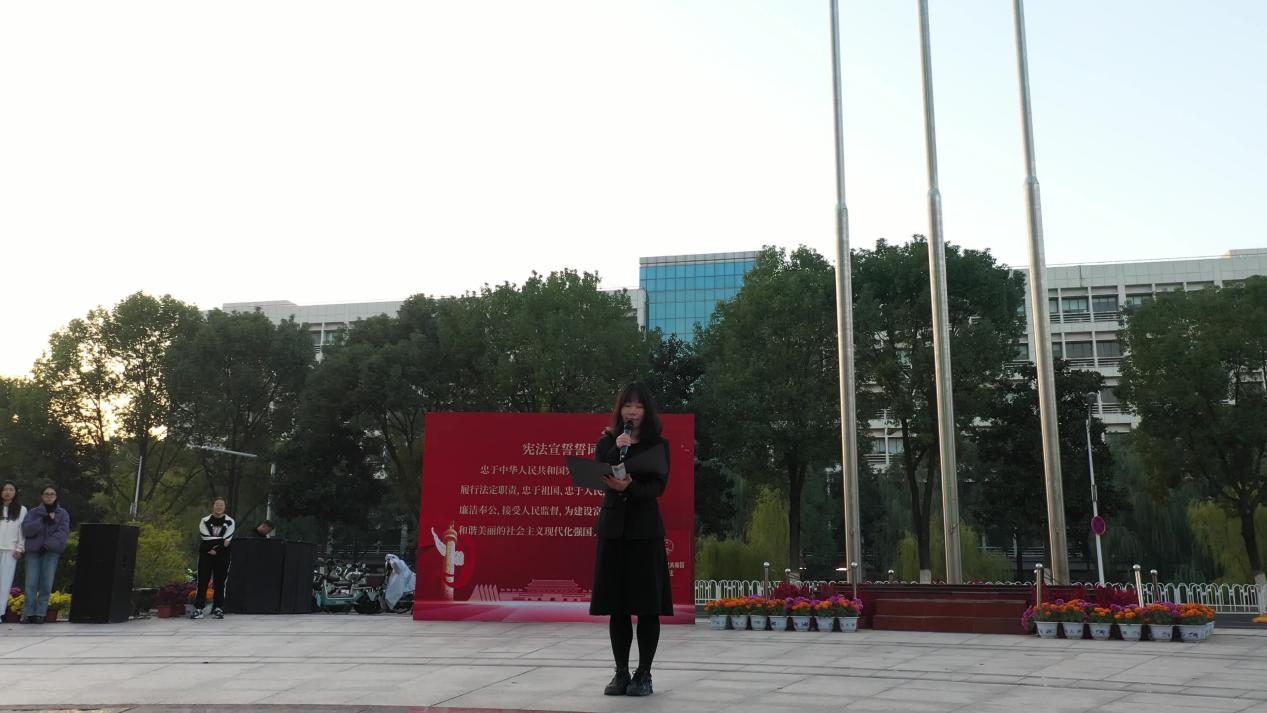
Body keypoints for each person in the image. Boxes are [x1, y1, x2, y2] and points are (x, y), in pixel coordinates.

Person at [589, 382, 672, 698]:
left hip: (645, 532)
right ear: (619, 410)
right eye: (627, 406)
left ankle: (644, 674)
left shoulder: (657, 445)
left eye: (638, 407)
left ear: (646, 411)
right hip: (614, 531)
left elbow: (658, 487)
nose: (632, 412)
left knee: (647, 606)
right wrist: (616, 446)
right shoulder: (607, 441)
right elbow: (599, 472)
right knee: (617, 606)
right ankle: (621, 672)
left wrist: (631, 488)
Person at [21, 485, 70, 624]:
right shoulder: (33, 512)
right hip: (33, 552)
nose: (49, 496)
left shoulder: (62, 513)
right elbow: (27, 530)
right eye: (46, 494)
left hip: (51, 552)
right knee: (30, 583)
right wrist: (43, 520)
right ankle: (28, 613)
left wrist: (47, 545)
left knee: (46, 583)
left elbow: (62, 533)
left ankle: (40, 613)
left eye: (52, 494)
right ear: (42, 496)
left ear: (56, 496)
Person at [192, 497, 235, 620]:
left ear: (225, 507)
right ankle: (199, 608)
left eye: (221, 504)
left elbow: (228, 540)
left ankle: (218, 608)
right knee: (202, 581)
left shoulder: (230, 521)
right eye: (217, 504)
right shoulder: (204, 520)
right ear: (213, 506)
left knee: (220, 582)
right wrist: (220, 542)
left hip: (222, 555)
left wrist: (216, 550)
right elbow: (205, 537)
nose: (219, 507)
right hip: (206, 554)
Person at [0, 482, 26, 620]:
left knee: (4, 583)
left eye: (11, 489)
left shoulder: (21, 510)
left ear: (15, 492)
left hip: (10, 551)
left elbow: (22, 531)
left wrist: (20, 548)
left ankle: (0, 612)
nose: (8, 492)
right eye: (5, 489)